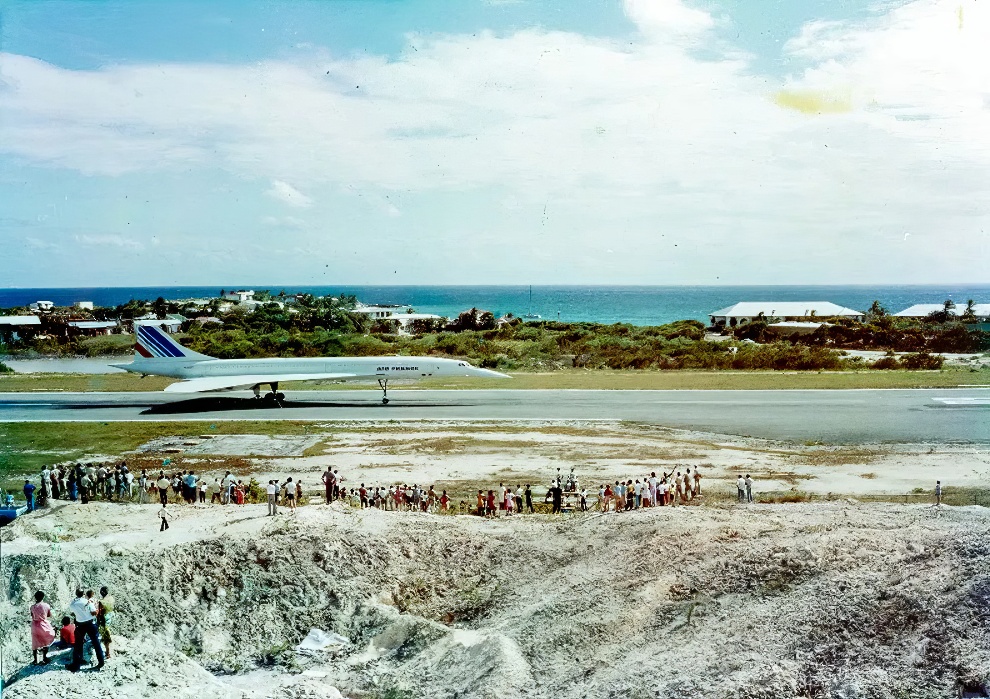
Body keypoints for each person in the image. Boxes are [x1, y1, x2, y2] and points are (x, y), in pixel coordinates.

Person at [67, 588, 104, 671]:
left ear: (76, 594)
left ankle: (76, 665)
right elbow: (94, 612)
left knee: (78, 645)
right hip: (90, 624)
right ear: (83, 594)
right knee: (96, 643)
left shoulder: (72, 604)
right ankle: (101, 662)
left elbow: (74, 612)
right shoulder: (87, 602)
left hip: (80, 625)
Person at [30, 590, 56, 665]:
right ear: (43, 597)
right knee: (46, 640)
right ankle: (45, 657)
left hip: (34, 625)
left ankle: (35, 660)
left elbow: (32, 616)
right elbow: (48, 615)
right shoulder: (46, 605)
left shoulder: (32, 607)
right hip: (43, 624)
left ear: (35, 597)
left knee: (35, 643)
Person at [97, 586, 115, 659]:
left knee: (105, 635)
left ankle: (108, 653)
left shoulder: (102, 602)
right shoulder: (111, 599)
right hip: (109, 616)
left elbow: (100, 612)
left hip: (104, 619)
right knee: (107, 631)